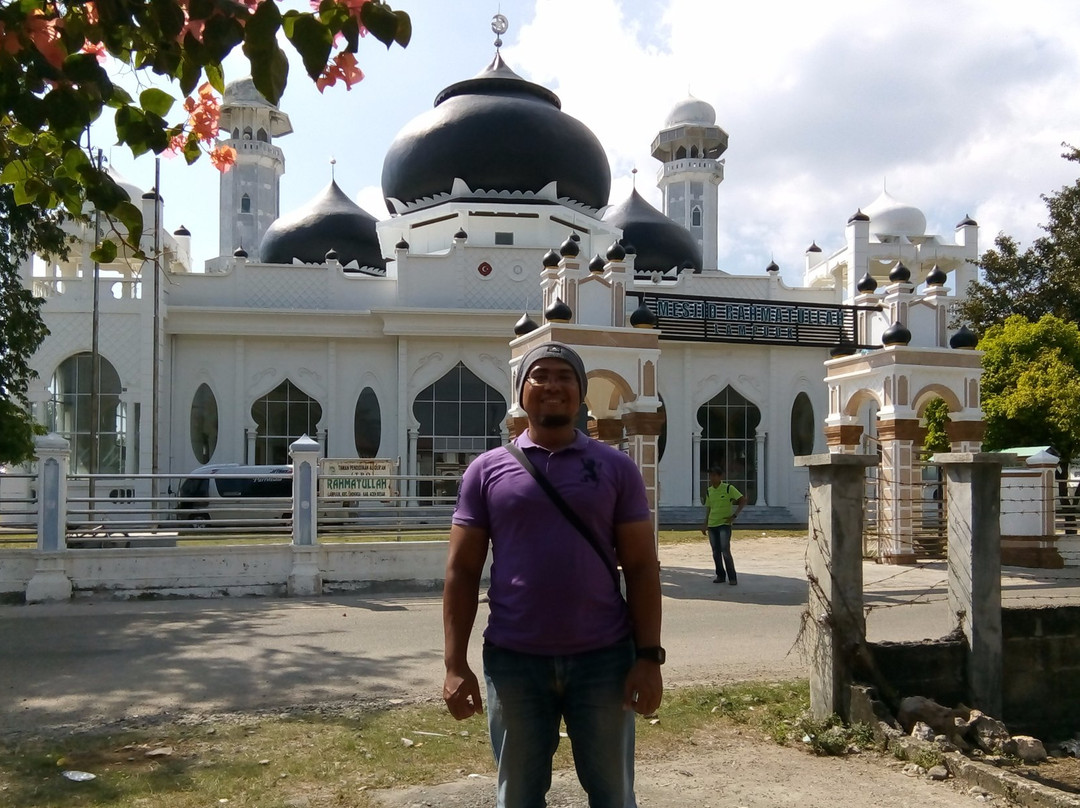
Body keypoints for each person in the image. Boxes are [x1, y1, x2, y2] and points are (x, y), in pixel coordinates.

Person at [442, 341, 664, 808]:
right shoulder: (487, 471)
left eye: (565, 376)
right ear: (522, 392)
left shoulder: (615, 468)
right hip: (515, 661)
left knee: (613, 795)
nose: (552, 385)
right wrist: (454, 664)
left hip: (603, 659)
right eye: (539, 375)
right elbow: (462, 572)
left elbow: (642, 567)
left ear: (582, 394)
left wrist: (648, 658)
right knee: (518, 796)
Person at [701, 465, 747, 585]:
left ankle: (732, 577)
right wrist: (705, 523)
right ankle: (720, 575)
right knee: (716, 552)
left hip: (724, 524)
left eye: (714, 475)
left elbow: (742, 500)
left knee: (725, 550)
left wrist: (734, 516)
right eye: (710, 475)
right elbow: (709, 508)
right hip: (712, 525)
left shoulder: (728, 488)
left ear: (720, 476)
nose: (712, 478)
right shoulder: (709, 491)